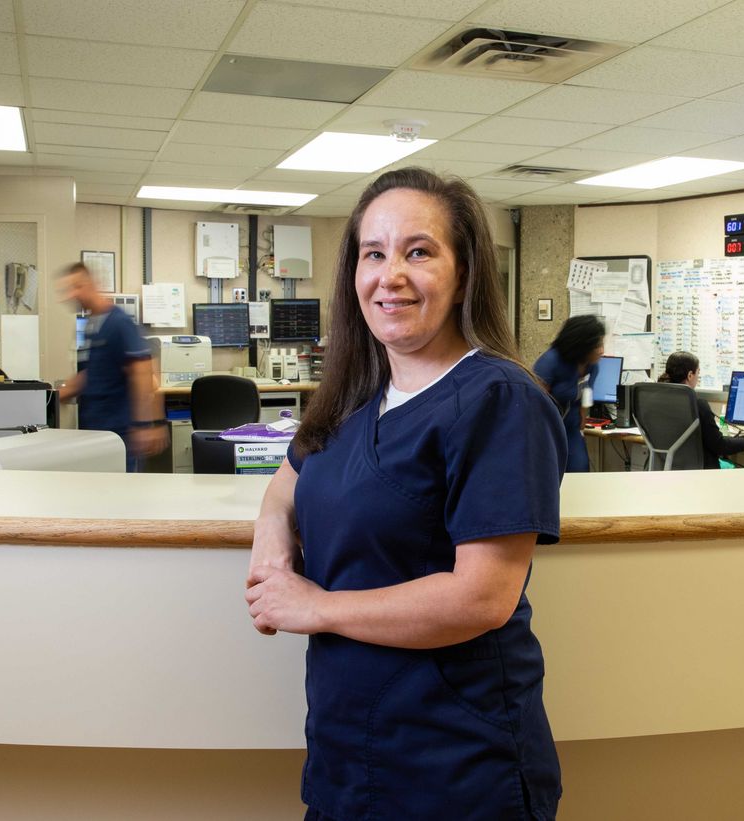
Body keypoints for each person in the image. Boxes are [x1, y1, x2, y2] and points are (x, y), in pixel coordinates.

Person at [243, 168, 568, 820]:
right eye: (374, 253)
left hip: (454, 765)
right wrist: (271, 548)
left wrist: (317, 606)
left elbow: (482, 596)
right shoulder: (354, 396)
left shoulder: (499, 400)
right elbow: (286, 484)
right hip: (345, 751)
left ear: (464, 271)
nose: (390, 275)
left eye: (418, 251)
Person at [56, 262, 165, 472]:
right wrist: (51, 396)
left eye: (75, 287)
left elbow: (143, 374)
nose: (70, 295)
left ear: (90, 285)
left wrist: (146, 425)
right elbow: (90, 374)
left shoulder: (119, 323)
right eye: (67, 290)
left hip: (120, 433)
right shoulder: (91, 325)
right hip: (95, 430)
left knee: (121, 498)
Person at [658, 351, 744, 469]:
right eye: (698, 373)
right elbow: (719, 445)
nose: (698, 378)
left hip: (666, 469)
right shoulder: (697, 405)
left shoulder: (658, 401)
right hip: (699, 474)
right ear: (690, 375)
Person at [533, 315, 606, 473]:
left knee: (580, 471)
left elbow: (585, 398)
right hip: (547, 432)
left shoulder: (592, 366)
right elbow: (534, 406)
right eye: (597, 345)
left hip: (571, 430)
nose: (602, 351)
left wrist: (582, 426)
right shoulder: (550, 362)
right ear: (582, 345)